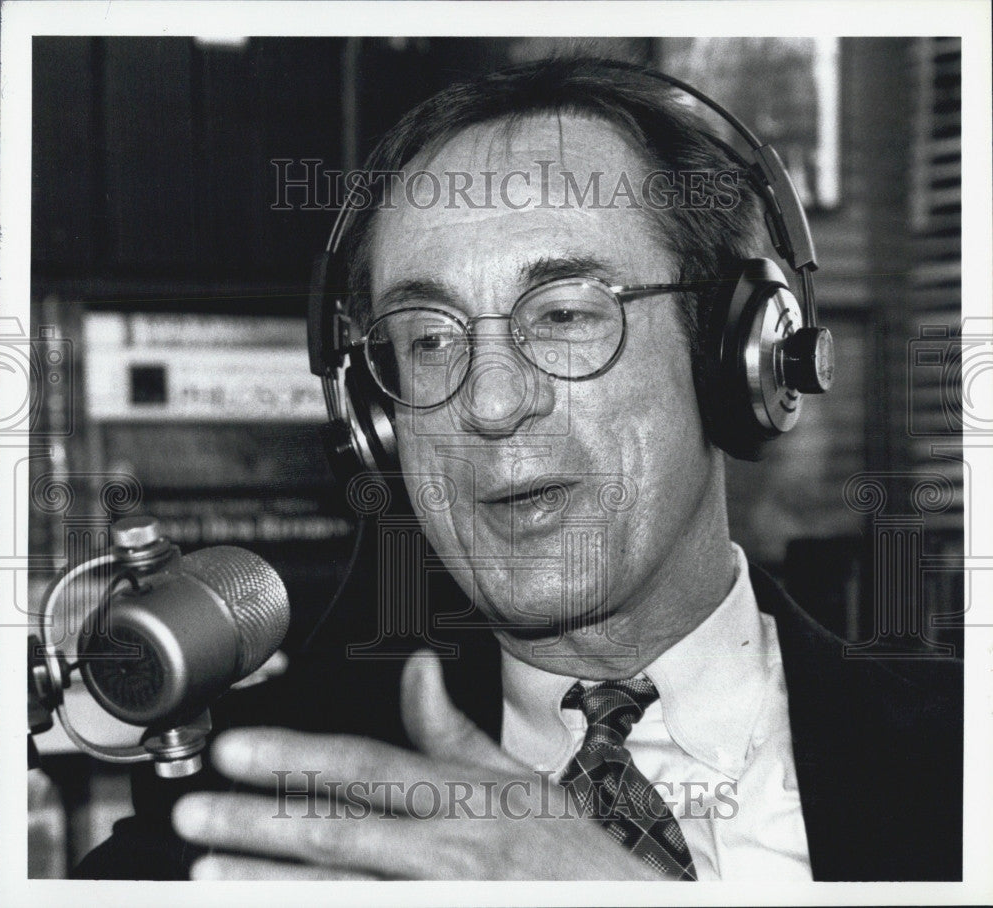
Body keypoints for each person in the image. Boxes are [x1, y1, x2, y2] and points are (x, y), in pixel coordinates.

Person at [76, 57, 962, 882]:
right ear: (376, 425)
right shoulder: (254, 810)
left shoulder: (961, 758)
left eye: (566, 315)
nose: (491, 402)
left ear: (740, 359)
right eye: (427, 337)